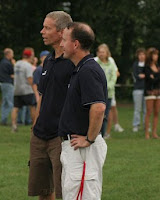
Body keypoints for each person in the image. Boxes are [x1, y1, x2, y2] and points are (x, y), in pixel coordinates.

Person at [28, 11, 74, 200]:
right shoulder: (47, 60)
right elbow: (43, 96)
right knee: (43, 191)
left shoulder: (75, 62)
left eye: (47, 28)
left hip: (61, 137)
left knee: (64, 191)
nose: (42, 31)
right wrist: (35, 126)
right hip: (40, 135)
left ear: (62, 32)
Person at [59, 22, 107, 200]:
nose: (61, 44)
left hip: (82, 150)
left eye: (64, 40)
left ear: (75, 44)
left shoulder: (88, 70)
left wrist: (89, 139)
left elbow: (98, 107)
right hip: (75, 148)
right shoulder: (80, 69)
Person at [11, 49, 36, 132]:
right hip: (27, 90)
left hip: (17, 90)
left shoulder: (17, 64)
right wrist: (35, 88)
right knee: (32, 107)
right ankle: (34, 126)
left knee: (15, 108)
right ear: (30, 56)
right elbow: (29, 79)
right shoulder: (28, 65)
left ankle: (14, 125)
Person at [96, 43, 117, 138]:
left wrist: (108, 86)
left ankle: (103, 135)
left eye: (103, 52)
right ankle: (95, 134)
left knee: (105, 115)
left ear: (107, 53)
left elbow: (114, 76)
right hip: (97, 93)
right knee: (96, 114)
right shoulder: (95, 62)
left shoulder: (111, 64)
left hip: (108, 93)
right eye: (99, 52)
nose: (101, 54)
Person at [144, 47, 160, 139]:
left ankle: (154, 133)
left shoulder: (158, 66)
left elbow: (155, 79)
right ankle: (147, 133)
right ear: (151, 56)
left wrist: (155, 77)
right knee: (149, 112)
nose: (156, 56)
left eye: (157, 54)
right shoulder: (147, 67)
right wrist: (156, 77)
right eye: (154, 54)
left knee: (157, 112)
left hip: (158, 91)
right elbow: (150, 80)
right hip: (149, 91)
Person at [132, 48, 146, 132]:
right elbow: (136, 76)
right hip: (137, 89)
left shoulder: (147, 65)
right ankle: (136, 125)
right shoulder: (135, 64)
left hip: (147, 89)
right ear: (137, 56)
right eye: (140, 54)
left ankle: (146, 125)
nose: (141, 56)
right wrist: (141, 76)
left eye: (143, 54)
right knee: (137, 109)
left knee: (146, 109)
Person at [0, 48, 15, 125]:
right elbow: (13, 75)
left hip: (2, 84)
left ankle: (3, 120)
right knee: (11, 103)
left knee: (5, 103)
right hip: (8, 84)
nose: (13, 55)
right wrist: (14, 64)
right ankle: (14, 121)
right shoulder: (8, 63)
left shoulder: (2, 62)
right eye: (12, 53)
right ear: (8, 54)